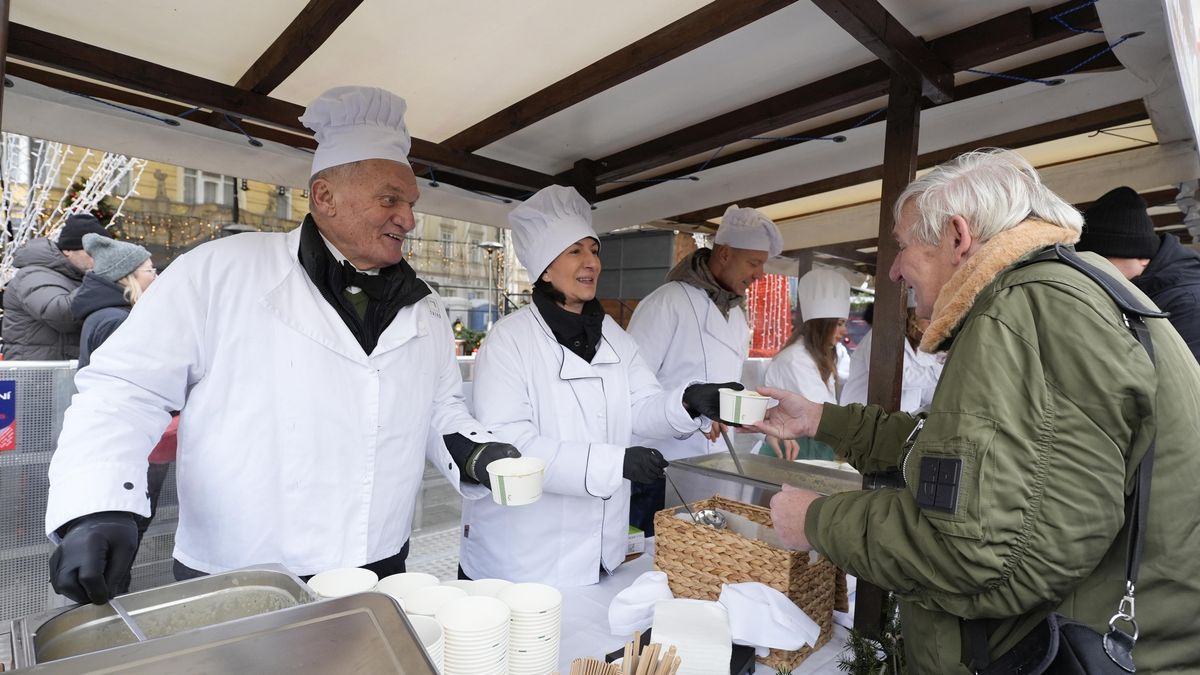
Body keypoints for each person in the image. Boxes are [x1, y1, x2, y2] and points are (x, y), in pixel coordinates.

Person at [45, 86, 520, 605]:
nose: (408, 218)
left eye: (410, 203)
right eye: (390, 199)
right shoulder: (219, 271)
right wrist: (96, 507)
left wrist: (474, 448)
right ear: (324, 196)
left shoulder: (424, 307)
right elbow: (123, 390)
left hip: (378, 563)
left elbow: (439, 408)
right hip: (241, 571)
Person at [756, 149, 1200, 672]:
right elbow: (960, 454)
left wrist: (817, 519)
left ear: (958, 237)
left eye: (903, 247)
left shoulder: (1028, 309)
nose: (895, 271)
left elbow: (976, 551)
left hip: (1074, 648)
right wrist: (822, 420)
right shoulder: (1063, 287)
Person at [460, 185, 731, 586]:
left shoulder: (614, 338)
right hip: (522, 560)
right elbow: (513, 447)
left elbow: (641, 406)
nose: (592, 262)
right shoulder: (509, 340)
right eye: (575, 251)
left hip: (598, 553)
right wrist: (614, 463)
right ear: (545, 269)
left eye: (594, 249)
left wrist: (688, 402)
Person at [625, 205, 782, 533]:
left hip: (708, 466)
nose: (760, 274)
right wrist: (693, 414)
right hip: (659, 467)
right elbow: (628, 388)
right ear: (724, 254)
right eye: (754, 263)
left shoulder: (736, 316)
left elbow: (725, 388)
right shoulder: (667, 302)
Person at [71, 233, 169, 593]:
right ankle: (110, 606)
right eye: (149, 269)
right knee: (125, 531)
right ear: (127, 276)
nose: (156, 276)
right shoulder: (118, 321)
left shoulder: (105, 316)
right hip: (134, 450)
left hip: (129, 447)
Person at [1076, 185, 1200, 362]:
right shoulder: (1154, 291)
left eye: (1102, 261)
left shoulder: (1189, 302)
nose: (1095, 271)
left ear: (1139, 256)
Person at [760, 268, 849, 461]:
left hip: (810, 445)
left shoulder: (818, 356)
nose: (844, 331)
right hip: (789, 447)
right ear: (823, 325)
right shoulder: (795, 359)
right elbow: (823, 410)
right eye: (840, 323)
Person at [1, 214, 111, 360]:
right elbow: (61, 315)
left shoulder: (76, 275)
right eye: (92, 251)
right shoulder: (33, 274)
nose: (99, 257)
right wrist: (99, 279)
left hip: (59, 372)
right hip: (37, 375)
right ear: (68, 250)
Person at [839, 290, 943, 412]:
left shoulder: (921, 349)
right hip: (859, 419)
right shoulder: (881, 335)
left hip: (892, 423)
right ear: (910, 317)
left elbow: (923, 389)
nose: (932, 323)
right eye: (927, 319)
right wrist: (941, 370)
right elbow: (895, 377)